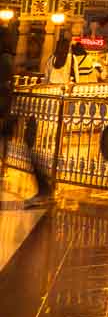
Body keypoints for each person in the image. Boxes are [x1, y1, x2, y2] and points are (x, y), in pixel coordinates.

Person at [0, 14, 52, 207]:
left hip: (5, 111)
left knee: (24, 151)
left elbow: (5, 86)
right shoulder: (6, 58)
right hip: (7, 110)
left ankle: (45, 188)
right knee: (22, 151)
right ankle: (45, 188)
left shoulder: (4, 60)